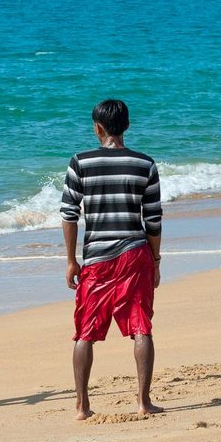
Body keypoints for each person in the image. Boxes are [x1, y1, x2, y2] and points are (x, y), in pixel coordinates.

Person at [61, 99, 164, 420]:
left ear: (97, 128)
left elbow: (69, 215)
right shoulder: (144, 164)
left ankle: (82, 406)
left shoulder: (80, 162)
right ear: (127, 126)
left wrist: (71, 261)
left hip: (96, 258)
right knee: (140, 326)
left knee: (85, 332)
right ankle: (143, 402)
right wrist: (156, 259)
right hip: (135, 253)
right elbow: (154, 219)